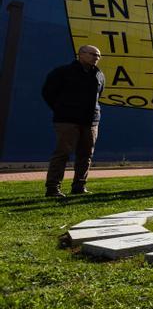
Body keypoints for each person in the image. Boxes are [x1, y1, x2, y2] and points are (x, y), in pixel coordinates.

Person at [41, 45, 105, 198]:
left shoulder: (99, 75)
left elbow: (99, 94)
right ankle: (53, 188)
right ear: (81, 54)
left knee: (86, 154)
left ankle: (79, 186)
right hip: (67, 120)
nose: (96, 58)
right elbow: (48, 93)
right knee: (62, 153)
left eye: (98, 56)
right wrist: (62, 109)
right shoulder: (62, 72)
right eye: (93, 54)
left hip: (91, 121)